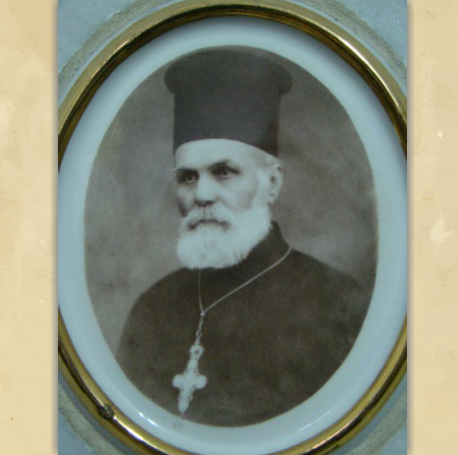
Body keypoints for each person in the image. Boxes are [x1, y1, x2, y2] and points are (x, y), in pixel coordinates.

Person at [116, 48, 371, 427]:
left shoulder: (337, 305)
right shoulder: (152, 307)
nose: (202, 195)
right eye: (187, 177)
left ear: (272, 182)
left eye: (224, 172)